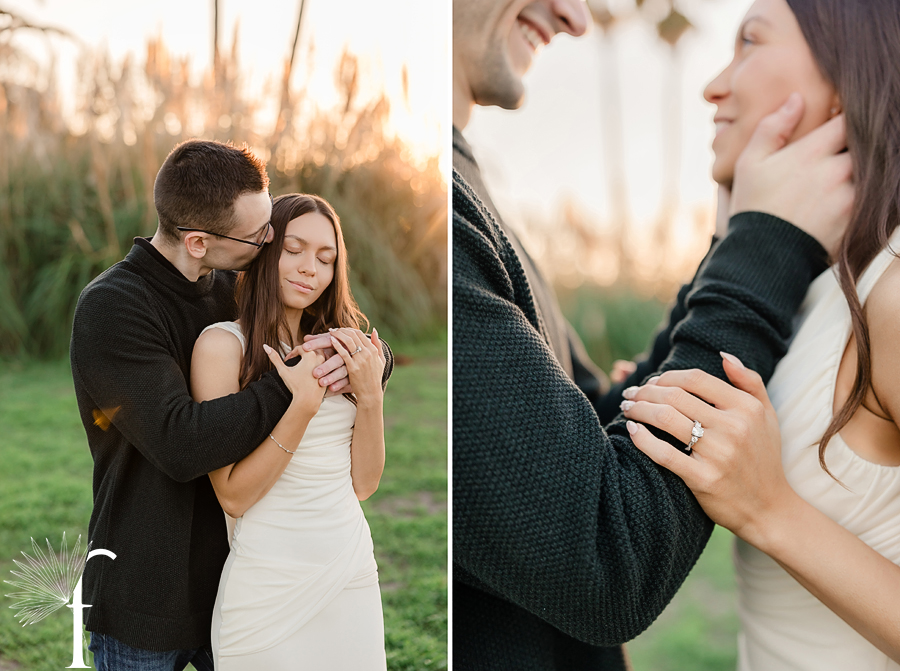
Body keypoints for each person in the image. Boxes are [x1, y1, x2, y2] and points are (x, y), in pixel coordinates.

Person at [451, 0, 854, 668]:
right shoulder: (449, 216)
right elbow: (604, 556)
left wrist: (738, 248)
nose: (575, 16)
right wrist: (763, 251)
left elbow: (591, 432)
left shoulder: (466, 190)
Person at [620, 0, 900, 667]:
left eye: (750, 41)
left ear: (846, 78)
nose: (714, 85)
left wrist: (770, 509)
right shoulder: (807, 285)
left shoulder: (890, 293)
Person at [70, 140, 392, 670]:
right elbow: (181, 440)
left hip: (239, 573)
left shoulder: (229, 286)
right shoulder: (113, 307)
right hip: (150, 593)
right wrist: (293, 386)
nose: (270, 241)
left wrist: (367, 364)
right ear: (199, 241)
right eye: (259, 234)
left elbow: (314, 327)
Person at [189, 193, 387, 669]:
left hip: (349, 571)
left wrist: (371, 394)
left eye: (325, 258)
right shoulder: (222, 347)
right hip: (267, 584)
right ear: (264, 249)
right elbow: (233, 497)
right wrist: (300, 406)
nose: (309, 269)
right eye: (293, 249)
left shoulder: (346, 349)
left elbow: (364, 485)